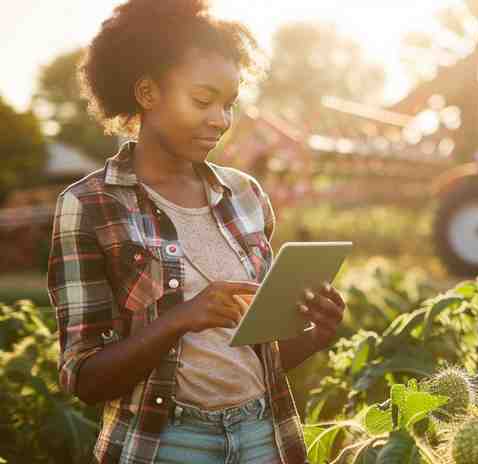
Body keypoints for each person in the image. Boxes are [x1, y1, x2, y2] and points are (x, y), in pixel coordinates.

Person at [46, 1, 345, 462]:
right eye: (203, 101)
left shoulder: (246, 195)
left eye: (228, 105)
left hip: (264, 437)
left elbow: (251, 360)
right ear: (147, 92)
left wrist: (315, 333)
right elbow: (85, 379)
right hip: (167, 444)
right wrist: (182, 318)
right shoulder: (89, 206)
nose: (221, 120)